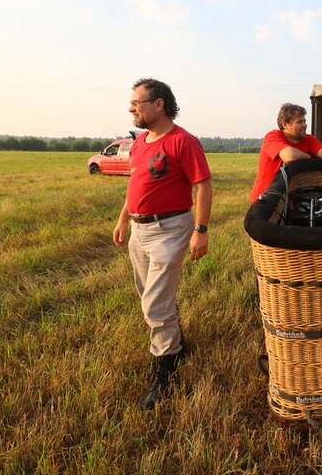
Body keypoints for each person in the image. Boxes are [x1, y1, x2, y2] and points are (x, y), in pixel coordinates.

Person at [112, 78, 213, 410]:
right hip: (139, 231)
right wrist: (124, 219)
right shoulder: (141, 141)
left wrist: (201, 229)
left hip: (170, 229)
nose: (131, 108)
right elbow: (136, 184)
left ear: (159, 104)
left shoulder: (184, 141)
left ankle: (165, 373)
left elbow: (203, 186)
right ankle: (176, 343)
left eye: (136, 103)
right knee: (151, 296)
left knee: (154, 305)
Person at [249, 103, 322, 202]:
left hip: (288, 197)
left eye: (304, 121)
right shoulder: (273, 136)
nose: (305, 125)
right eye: (300, 122)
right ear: (285, 125)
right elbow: (289, 156)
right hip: (266, 198)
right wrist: (309, 157)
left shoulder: (308, 139)